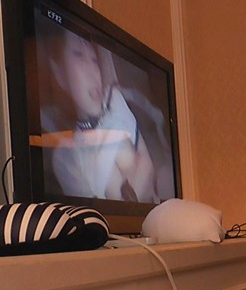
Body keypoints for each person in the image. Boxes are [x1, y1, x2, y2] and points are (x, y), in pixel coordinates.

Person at [38, 19, 160, 202]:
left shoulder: (115, 100)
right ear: (59, 73)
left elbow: (148, 168)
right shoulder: (65, 156)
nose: (94, 73)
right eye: (79, 55)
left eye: (95, 60)